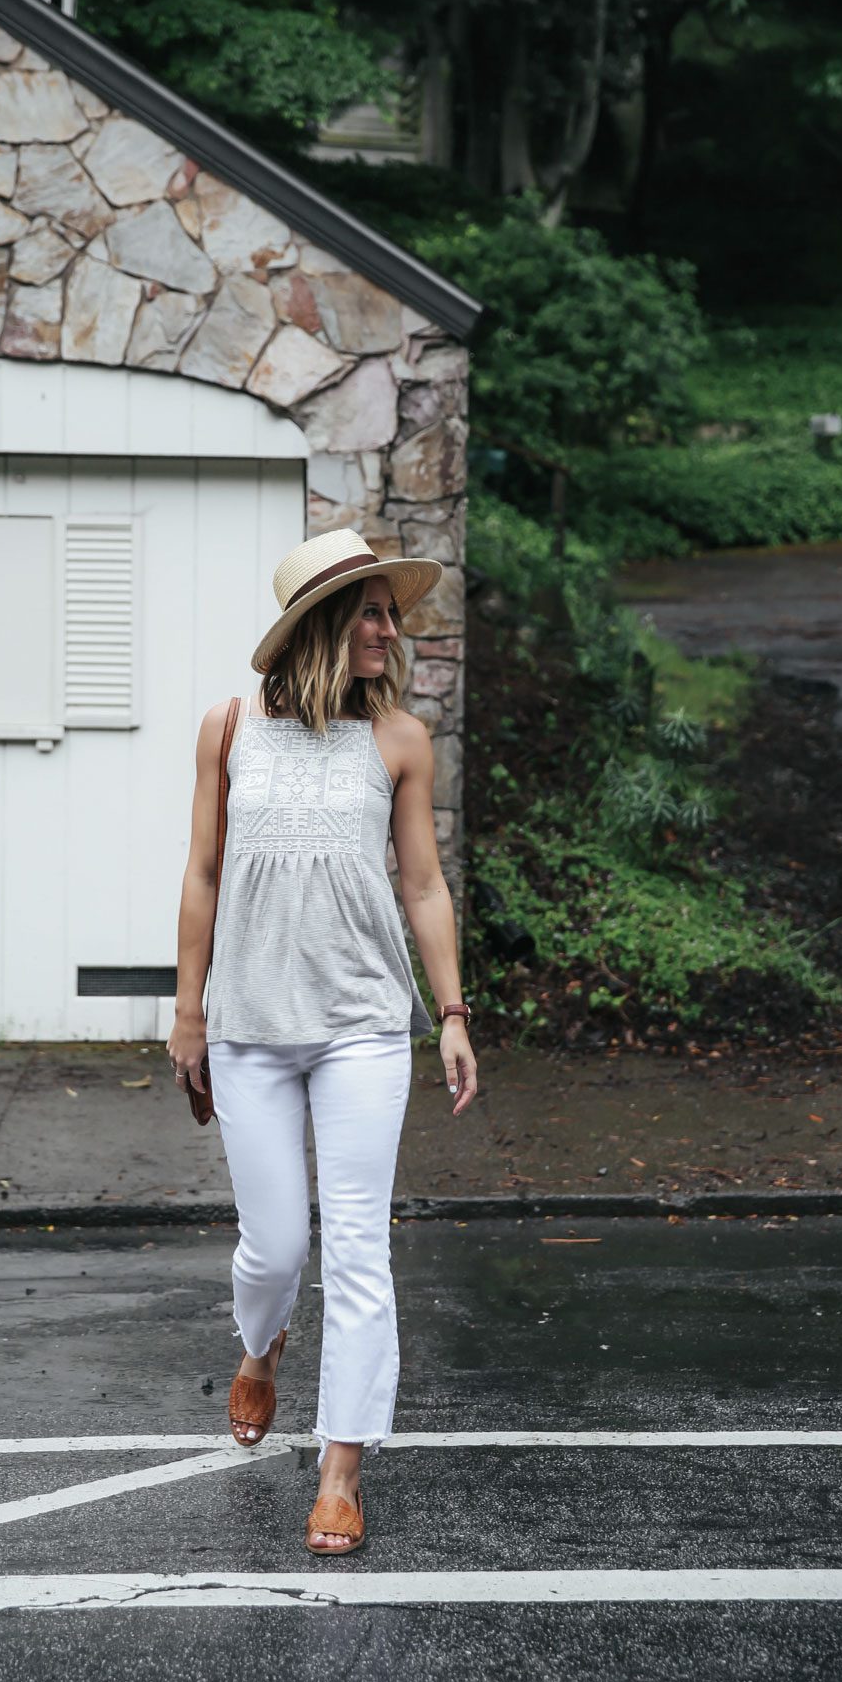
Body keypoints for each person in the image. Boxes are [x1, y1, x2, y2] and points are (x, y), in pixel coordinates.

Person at [168, 527, 477, 1556]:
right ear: (323, 627)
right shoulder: (227, 728)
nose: (392, 629)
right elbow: (204, 874)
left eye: (393, 612)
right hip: (251, 1025)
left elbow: (424, 886)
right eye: (374, 613)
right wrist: (187, 1012)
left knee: (356, 1251)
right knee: (275, 1248)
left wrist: (452, 1014)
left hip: (361, 1028)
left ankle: (340, 1468)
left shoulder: (401, 741)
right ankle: (259, 1348)